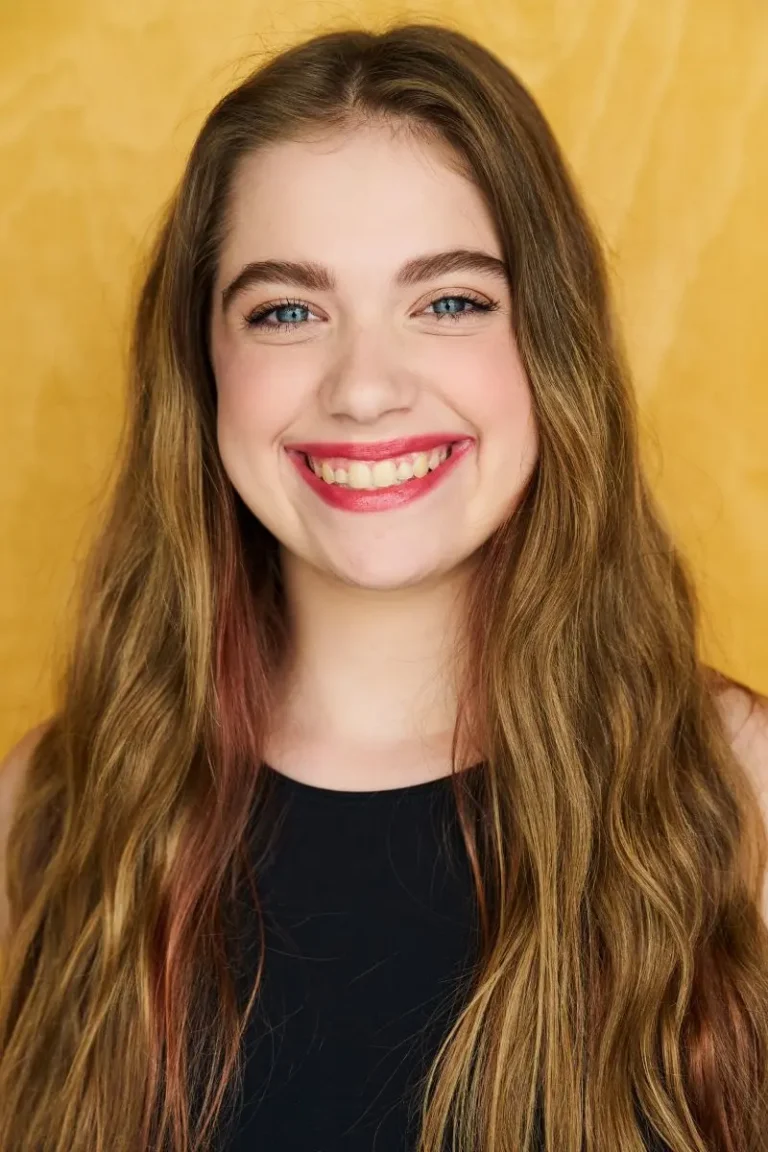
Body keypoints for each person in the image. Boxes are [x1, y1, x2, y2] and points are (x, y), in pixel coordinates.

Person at [1, 19, 767, 1152]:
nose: (364, 389)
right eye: (286, 310)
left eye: (449, 301)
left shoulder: (740, 792)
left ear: (550, 342)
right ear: (201, 368)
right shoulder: (44, 818)